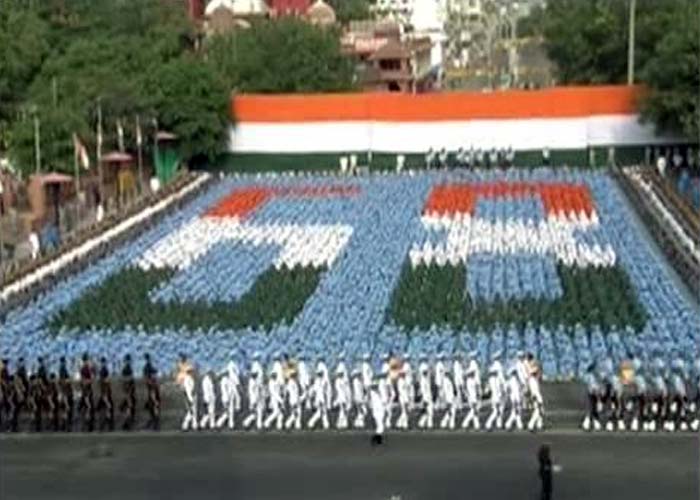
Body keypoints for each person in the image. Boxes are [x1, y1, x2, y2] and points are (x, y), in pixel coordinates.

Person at [143, 353, 160, 431]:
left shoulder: (146, 367)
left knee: (152, 407)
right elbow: (152, 374)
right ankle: (154, 423)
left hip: (151, 389)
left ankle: (152, 422)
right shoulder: (148, 367)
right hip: (152, 389)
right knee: (154, 406)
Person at [78, 353, 95, 432]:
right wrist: (89, 380)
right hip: (86, 391)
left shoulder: (84, 368)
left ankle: (85, 425)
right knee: (89, 407)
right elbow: (87, 380)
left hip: (85, 391)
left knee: (84, 407)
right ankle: (87, 426)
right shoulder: (86, 369)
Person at [97, 357, 114, 431]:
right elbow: (104, 382)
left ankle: (104, 426)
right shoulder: (103, 371)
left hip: (104, 393)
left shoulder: (103, 370)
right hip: (105, 394)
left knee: (106, 410)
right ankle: (105, 426)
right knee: (107, 409)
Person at [120, 354, 136, 431]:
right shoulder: (127, 369)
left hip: (128, 391)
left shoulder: (127, 368)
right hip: (128, 391)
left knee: (128, 407)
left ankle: (127, 423)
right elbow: (126, 380)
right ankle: (126, 424)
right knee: (128, 407)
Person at [369, 380, 386, 446]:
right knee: (381, 426)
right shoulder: (373, 393)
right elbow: (382, 400)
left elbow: (383, 401)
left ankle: (379, 440)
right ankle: (375, 439)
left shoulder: (375, 393)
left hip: (379, 410)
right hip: (377, 411)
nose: (375, 387)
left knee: (380, 426)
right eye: (374, 386)